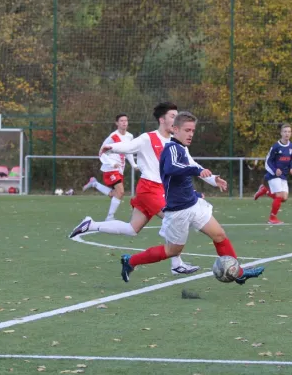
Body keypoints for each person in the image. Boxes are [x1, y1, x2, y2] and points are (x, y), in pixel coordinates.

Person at [120, 111, 264, 284]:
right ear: (175, 129)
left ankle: (238, 273)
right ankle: (131, 261)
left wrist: (212, 179)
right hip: (178, 212)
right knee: (172, 250)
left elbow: (191, 168)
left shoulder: (182, 149)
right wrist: (196, 171)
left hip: (193, 205)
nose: (191, 134)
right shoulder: (171, 149)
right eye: (187, 130)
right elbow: (173, 168)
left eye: (193, 131)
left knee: (219, 235)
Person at [70, 102, 198, 275]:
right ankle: (176, 263)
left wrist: (209, 177)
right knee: (173, 217)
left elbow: (190, 164)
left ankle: (91, 225)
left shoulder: (176, 142)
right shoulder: (148, 137)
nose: (177, 119)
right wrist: (111, 147)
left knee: (132, 229)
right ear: (162, 120)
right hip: (150, 189)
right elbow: (129, 147)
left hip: (161, 190)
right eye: (173, 116)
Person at [82, 113, 138, 221]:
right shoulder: (113, 137)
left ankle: (95, 183)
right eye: (121, 121)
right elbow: (101, 152)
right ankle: (109, 218)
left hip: (119, 168)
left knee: (116, 194)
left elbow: (128, 151)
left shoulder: (129, 136)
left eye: (126, 121)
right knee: (120, 192)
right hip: (110, 167)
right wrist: (112, 163)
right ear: (117, 123)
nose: (124, 123)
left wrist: (133, 165)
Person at [253, 124, 292, 224]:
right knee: (279, 195)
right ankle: (272, 218)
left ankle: (265, 190)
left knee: (284, 198)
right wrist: (275, 170)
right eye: (285, 131)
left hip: (283, 175)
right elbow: (268, 161)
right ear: (281, 133)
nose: (287, 134)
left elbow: (291, 160)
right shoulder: (275, 147)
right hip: (273, 174)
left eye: (289, 132)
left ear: (291, 133)